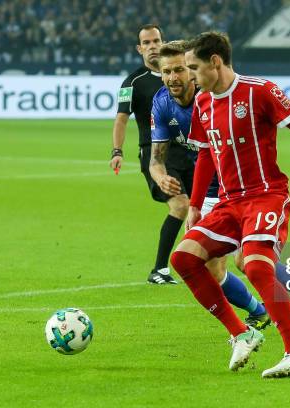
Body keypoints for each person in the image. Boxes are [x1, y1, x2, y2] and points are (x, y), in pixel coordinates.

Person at [170, 32, 290, 378]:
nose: (191, 77)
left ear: (215, 62)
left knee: (256, 265)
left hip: (266, 195)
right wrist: (196, 205)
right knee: (183, 258)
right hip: (229, 203)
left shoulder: (259, 91)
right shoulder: (202, 103)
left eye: (194, 68)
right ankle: (241, 333)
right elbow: (205, 155)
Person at [149, 40, 270, 329]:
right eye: (167, 72)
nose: (173, 77)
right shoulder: (163, 102)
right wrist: (161, 177)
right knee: (208, 266)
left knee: (247, 262)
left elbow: (283, 109)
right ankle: (258, 314)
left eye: (182, 69)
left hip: (241, 188)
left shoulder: (215, 93)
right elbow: (157, 159)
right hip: (208, 193)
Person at [109, 24, 181, 285]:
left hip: (186, 151)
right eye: (147, 42)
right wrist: (117, 151)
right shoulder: (133, 82)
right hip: (155, 154)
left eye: (157, 40)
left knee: (200, 207)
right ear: (140, 49)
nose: (153, 46)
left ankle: (196, 262)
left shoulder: (177, 74)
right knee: (180, 205)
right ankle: (160, 269)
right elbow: (121, 119)